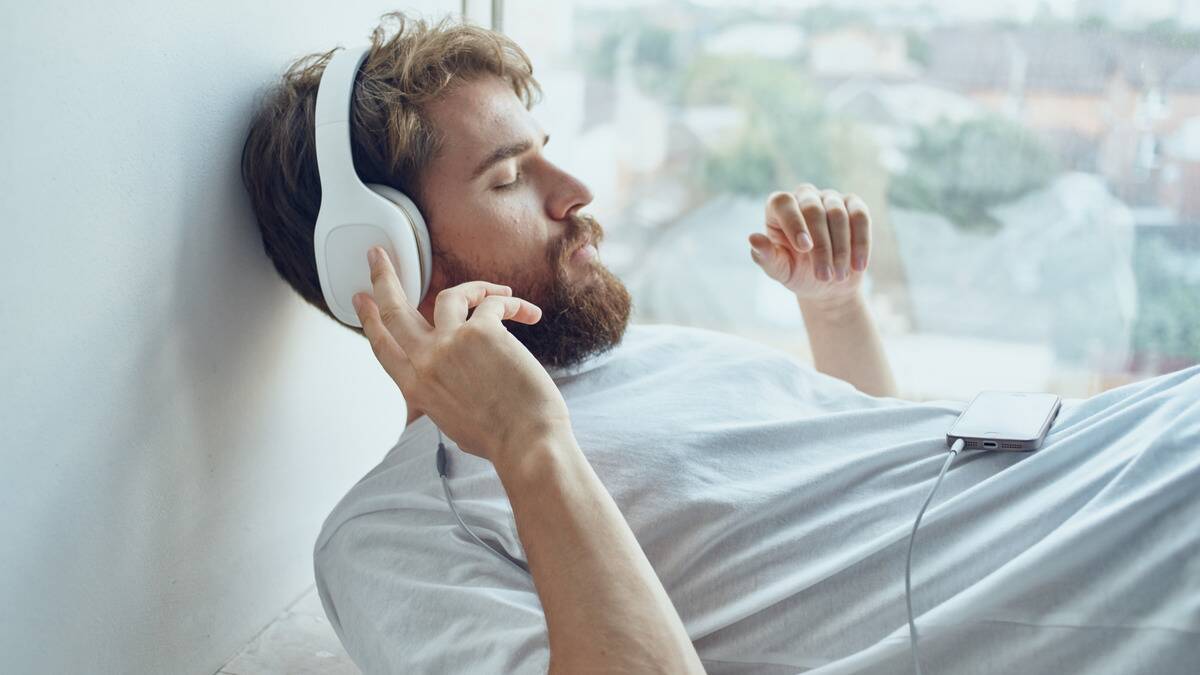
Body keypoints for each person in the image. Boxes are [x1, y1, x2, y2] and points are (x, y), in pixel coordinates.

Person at [240, 13, 1200, 675]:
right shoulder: (394, 529)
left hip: (1131, 449)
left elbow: (895, 507)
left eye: (546, 150)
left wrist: (834, 312)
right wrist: (532, 445)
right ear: (385, 257)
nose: (575, 190)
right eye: (508, 178)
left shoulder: (642, 357)